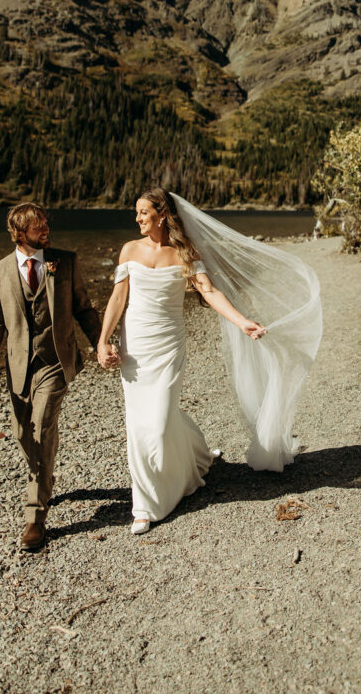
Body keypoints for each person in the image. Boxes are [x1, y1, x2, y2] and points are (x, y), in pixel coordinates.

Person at [97, 187, 268, 535]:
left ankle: (180, 476)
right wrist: (102, 342)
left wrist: (242, 321)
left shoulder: (185, 253)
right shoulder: (129, 250)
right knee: (140, 422)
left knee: (159, 419)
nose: (137, 218)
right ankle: (144, 504)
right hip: (136, 348)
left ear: (161, 214)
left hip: (169, 345)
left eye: (143, 212)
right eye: (136, 212)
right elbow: (118, 299)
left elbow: (209, 292)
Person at [0, 203, 105, 551]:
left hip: (56, 362)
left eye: (46, 223)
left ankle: (35, 516)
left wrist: (102, 344)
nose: (45, 230)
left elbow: (83, 309)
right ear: (19, 232)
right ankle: (45, 475)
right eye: (37, 226)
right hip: (18, 368)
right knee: (21, 433)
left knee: (42, 425)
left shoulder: (65, 261)